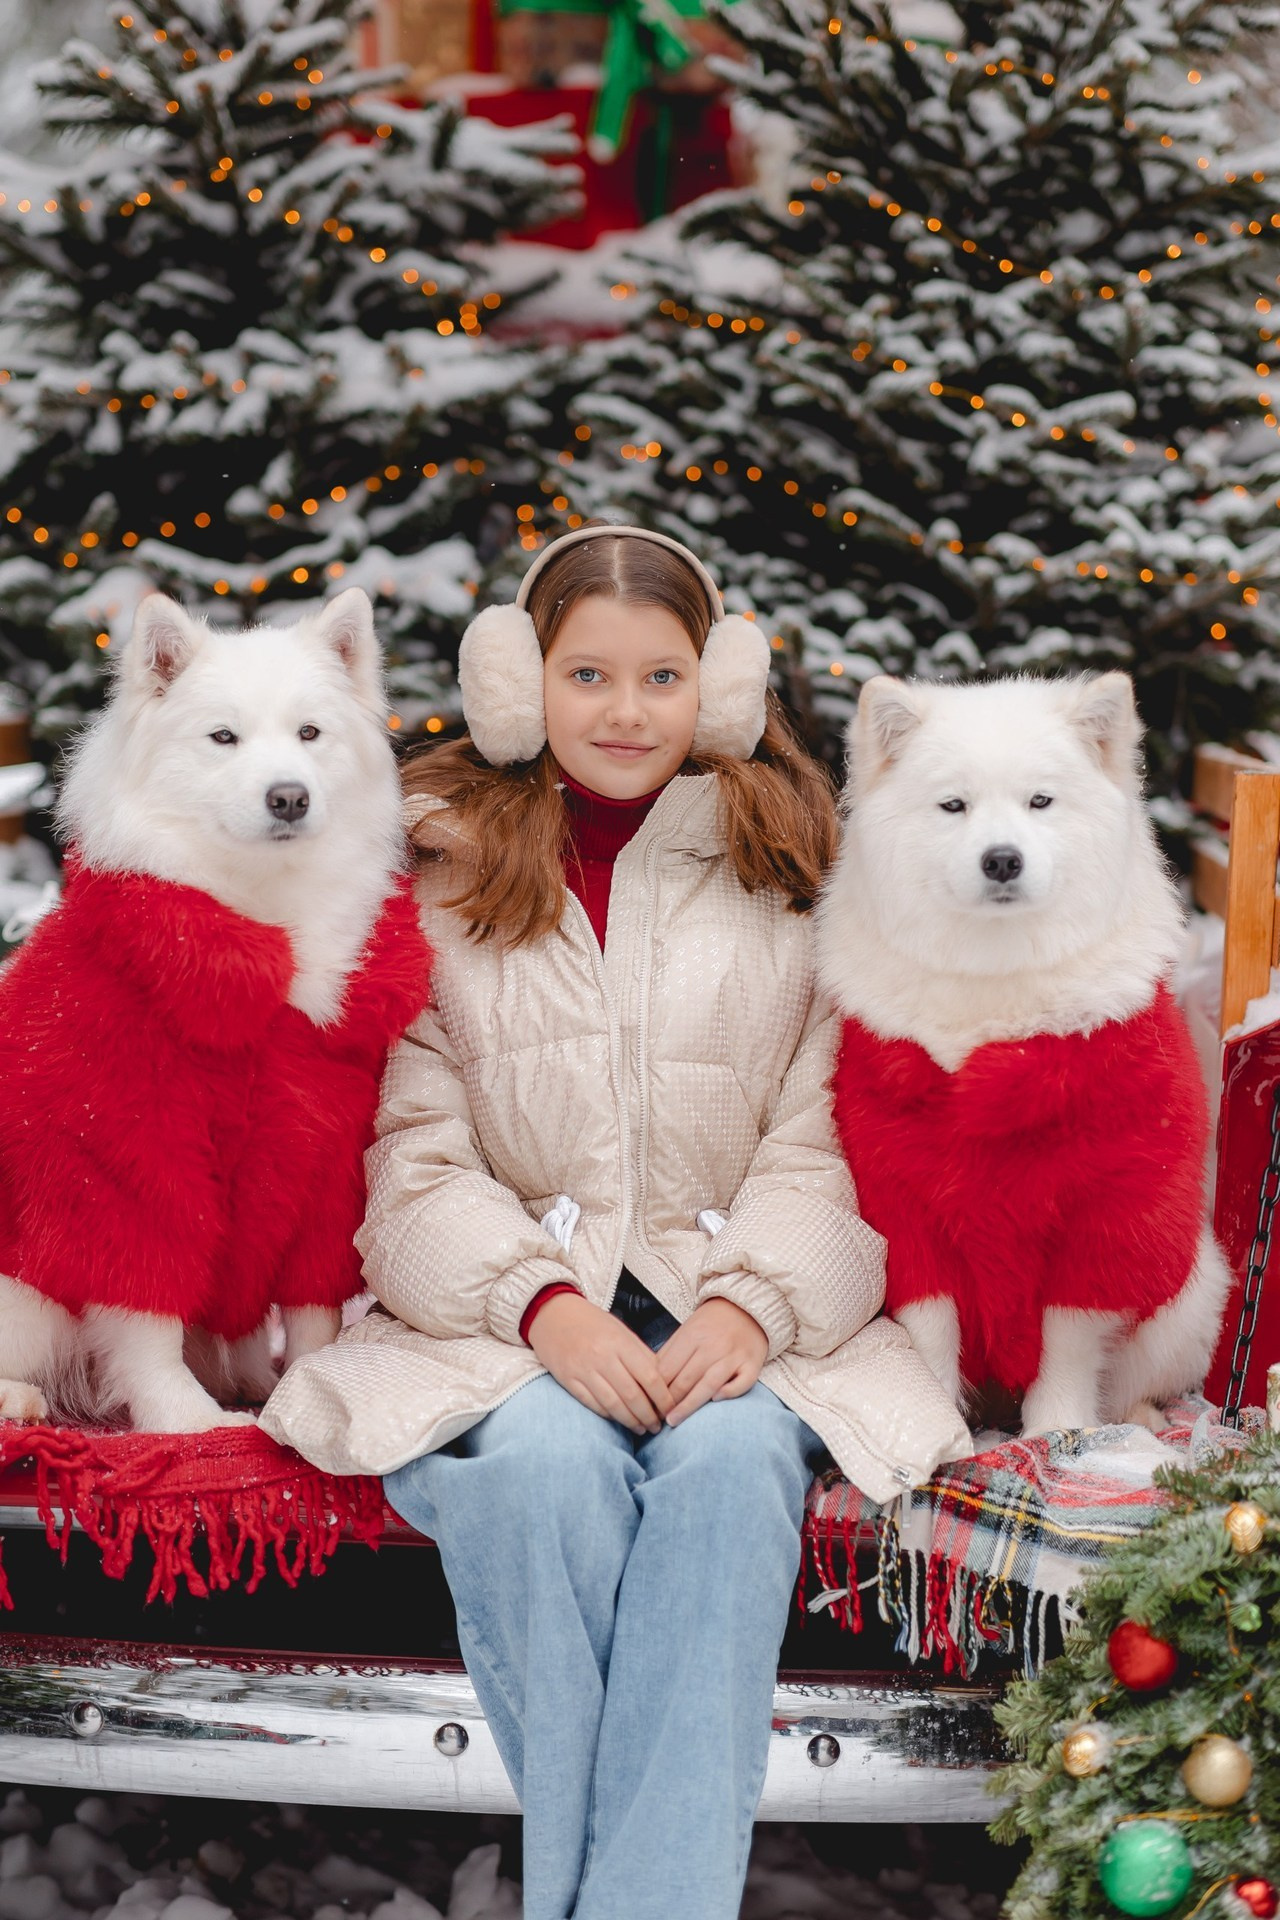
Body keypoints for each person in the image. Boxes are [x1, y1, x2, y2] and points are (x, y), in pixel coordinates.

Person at [261, 524, 969, 1920]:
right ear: (521, 682)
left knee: (724, 1477)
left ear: (717, 686)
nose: (626, 711)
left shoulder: (794, 867)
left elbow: (829, 1135)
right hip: (498, 1323)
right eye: (588, 673)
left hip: (744, 1324)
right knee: (536, 1471)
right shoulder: (442, 876)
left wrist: (749, 1302)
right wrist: (543, 1301)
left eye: (661, 675)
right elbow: (413, 1154)